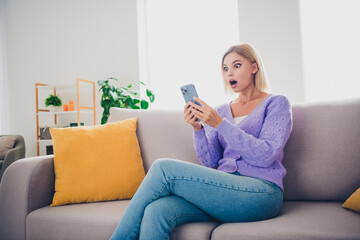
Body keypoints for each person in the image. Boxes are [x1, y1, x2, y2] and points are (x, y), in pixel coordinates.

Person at [110, 43, 293, 240]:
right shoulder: (222, 111)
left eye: (237, 65)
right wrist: (198, 129)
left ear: (254, 67)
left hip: (262, 193)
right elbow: (211, 162)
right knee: (157, 210)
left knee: (163, 168)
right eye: (225, 69)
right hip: (224, 192)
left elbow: (266, 155)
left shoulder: (277, 103)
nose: (229, 73)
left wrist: (220, 124)